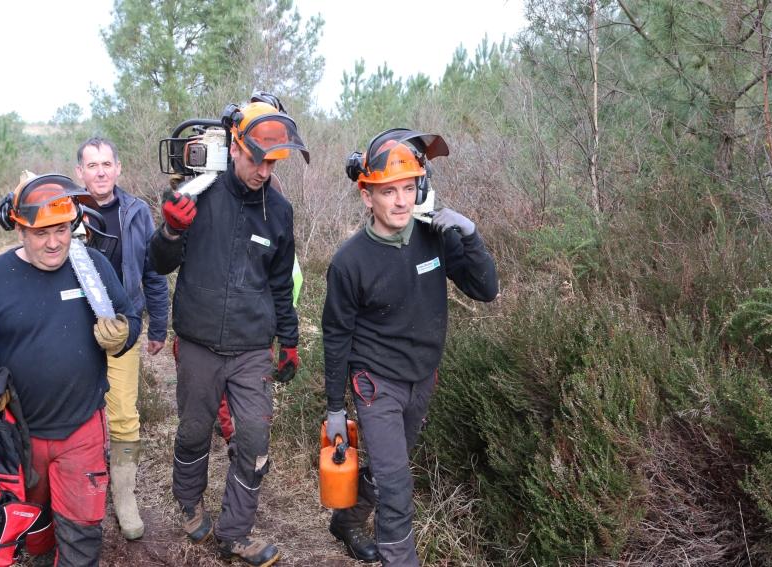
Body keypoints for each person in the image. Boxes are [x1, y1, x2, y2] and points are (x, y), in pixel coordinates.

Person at [0, 172, 141, 566]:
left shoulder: (91, 266)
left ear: (74, 225)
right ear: (18, 228)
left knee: (82, 533)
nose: (53, 242)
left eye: (62, 229)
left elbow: (129, 317)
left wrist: (124, 334)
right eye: (41, 232)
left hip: (81, 426)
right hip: (18, 435)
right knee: (32, 526)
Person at [322, 129, 499, 566]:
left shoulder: (433, 236)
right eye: (388, 192)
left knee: (388, 474)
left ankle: (346, 522)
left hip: (422, 377)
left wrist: (469, 233)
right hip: (375, 384)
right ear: (367, 196)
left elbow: (486, 289)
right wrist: (334, 408)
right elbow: (336, 334)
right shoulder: (350, 261)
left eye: (408, 188)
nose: (400, 201)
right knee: (398, 487)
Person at [149, 97, 308, 566]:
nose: (263, 170)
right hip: (197, 342)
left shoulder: (278, 210)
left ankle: (235, 531)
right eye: (256, 158)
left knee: (255, 441)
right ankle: (188, 501)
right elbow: (157, 264)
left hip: (251, 349)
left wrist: (291, 340)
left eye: (272, 161)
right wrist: (171, 231)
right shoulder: (198, 193)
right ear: (235, 146)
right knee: (195, 431)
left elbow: (282, 282)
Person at [75, 137, 169, 541]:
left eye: (106, 164)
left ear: (118, 169)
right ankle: (78, 495)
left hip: (123, 328)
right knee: (74, 414)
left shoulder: (136, 213)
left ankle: (125, 495)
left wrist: (159, 325)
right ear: (80, 172)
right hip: (73, 330)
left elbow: (152, 271)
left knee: (125, 416)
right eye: (91, 164)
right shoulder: (67, 209)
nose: (99, 171)